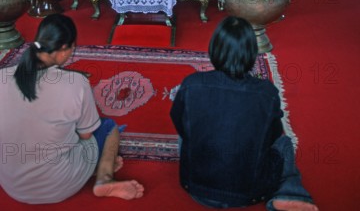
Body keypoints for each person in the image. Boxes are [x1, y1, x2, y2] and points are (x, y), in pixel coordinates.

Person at [170, 16, 319, 211]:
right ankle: (290, 192)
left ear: (214, 48)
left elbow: (178, 121)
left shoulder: (191, 84)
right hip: (248, 193)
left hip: (197, 189)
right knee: (284, 143)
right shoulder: (266, 92)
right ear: (251, 52)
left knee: (187, 132)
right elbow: (273, 135)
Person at [0, 14, 144, 204]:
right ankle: (104, 178)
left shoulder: (2, 76)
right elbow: (86, 135)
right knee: (109, 127)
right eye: (72, 49)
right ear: (62, 50)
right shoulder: (76, 82)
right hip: (59, 184)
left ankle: (93, 166)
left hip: (13, 186)